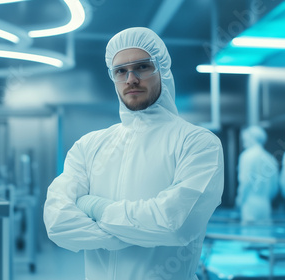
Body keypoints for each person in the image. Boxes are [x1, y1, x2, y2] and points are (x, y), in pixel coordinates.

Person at [43, 27, 224, 280]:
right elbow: (57, 222)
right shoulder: (88, 146)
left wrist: (92, 206)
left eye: (142, 67)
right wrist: (137, 232)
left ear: (162, 69)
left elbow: (175, 225)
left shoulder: (197, 143)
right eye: (120, 71)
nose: (131, 79)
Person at [235, 126, 279, 224]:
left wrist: (239, 199)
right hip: (265, 204)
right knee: (264, 236)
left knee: (250, 236)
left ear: (251, 138)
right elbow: (274, 187)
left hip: (250, 203)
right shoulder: (270, 158)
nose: (244, 141)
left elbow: (245, 182)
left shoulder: (246, 156)